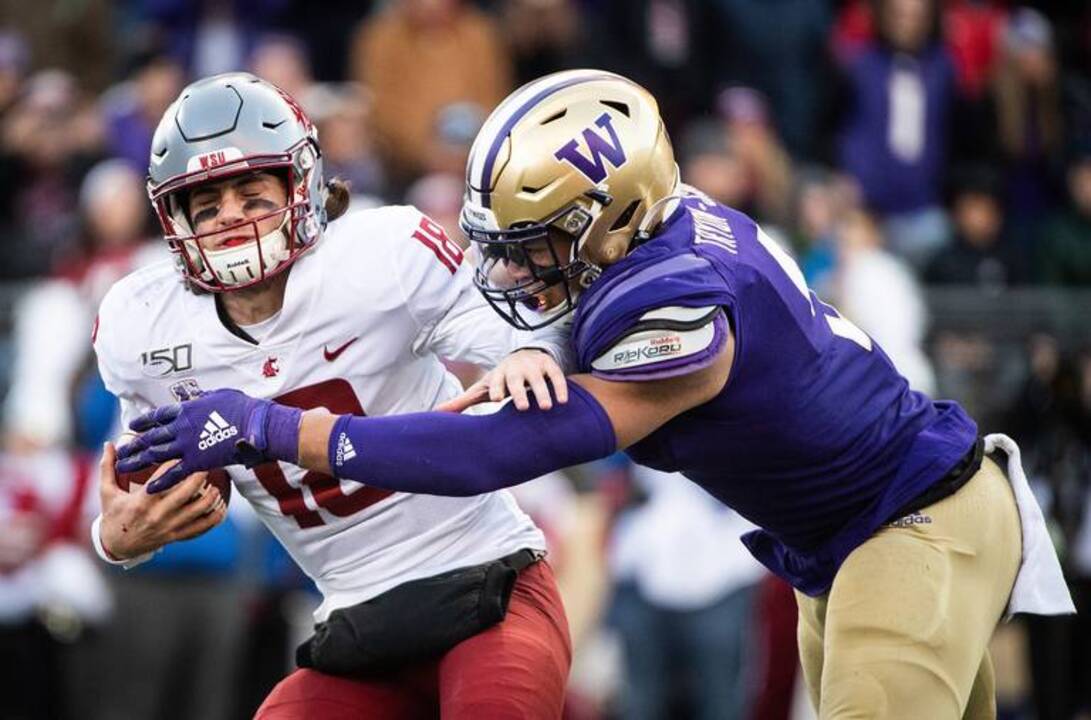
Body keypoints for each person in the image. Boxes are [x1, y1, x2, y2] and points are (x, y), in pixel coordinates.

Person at [120, 69, 1074, 719]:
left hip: (908, 523)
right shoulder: (661, 228)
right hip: (845, 544)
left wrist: (280, 428)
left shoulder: (675, 306)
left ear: (611, 218)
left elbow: (501, 451)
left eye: (533, 245)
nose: (513, 271)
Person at [91, 72, 572, 719]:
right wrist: (118, 540)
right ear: (172, 219)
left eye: (251, 194)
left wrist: (527, 351)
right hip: (358, 624)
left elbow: (532, 331)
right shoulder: (141, 324)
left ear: (303, 184)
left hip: (488, 583)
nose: (229, 216)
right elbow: (147, 490)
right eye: (205, 205)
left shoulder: (383, 253)